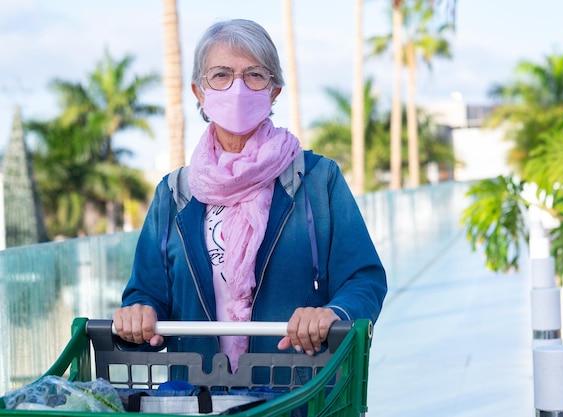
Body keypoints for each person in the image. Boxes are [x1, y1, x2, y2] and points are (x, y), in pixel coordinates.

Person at [113, 19, 387, 373]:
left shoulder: (318, 181)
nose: (237, 88)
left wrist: (331, 314)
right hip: (199, 397)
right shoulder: (174, 193)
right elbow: (147, 295)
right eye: (221, 75)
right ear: (199, 91)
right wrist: (139, 314)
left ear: (274, 91)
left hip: (296, 395)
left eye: (255, 75)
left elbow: (364, 278)